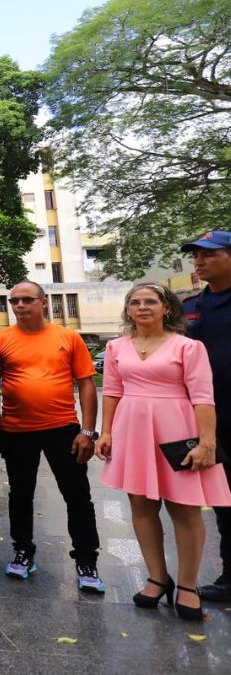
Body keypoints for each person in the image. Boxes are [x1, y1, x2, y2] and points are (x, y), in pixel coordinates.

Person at [95, 282, 231, 621]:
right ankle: (157, 577)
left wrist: (207, 442)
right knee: (141, 505)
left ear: (166, 308)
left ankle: (187, 584)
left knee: (184, 509)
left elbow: (203, 396)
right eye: (135, 302)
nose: (143, 307)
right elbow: (111, 391)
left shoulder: (188, 346)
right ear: (128, 310)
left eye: (151, 301)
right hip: (132, 431)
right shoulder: (116, 347)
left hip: (177, 431)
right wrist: (106, 431)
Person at [0, 281, 104, 592]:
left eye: (27, 300)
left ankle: (86, 560)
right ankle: (23, 551)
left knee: (77, 495)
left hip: (62, 428)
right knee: (20, 493)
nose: (19, 306)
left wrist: (88, 431)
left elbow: (86, 384)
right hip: (16, 430)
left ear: (43, 303)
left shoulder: (67, 337)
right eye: (14, 301)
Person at [181, 231, 231, 603]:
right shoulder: (190, 307)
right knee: (224, 501)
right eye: (195, 255)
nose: (198, 261)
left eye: (208, 255)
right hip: (208, 418)